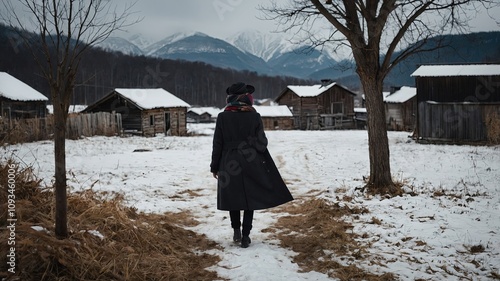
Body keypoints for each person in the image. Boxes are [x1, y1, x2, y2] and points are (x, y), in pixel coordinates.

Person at [210, 82, 294, 248]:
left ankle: (236, 231)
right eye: (248, 94)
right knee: (250, 198)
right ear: (243, 97)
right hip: (251, 161)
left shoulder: (222, 116)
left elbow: (217, 144)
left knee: (233, 197)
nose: (251, 97)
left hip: (229, 161)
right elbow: (262, 144)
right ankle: (246, 235)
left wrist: (215, 166)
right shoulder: (254, 116)